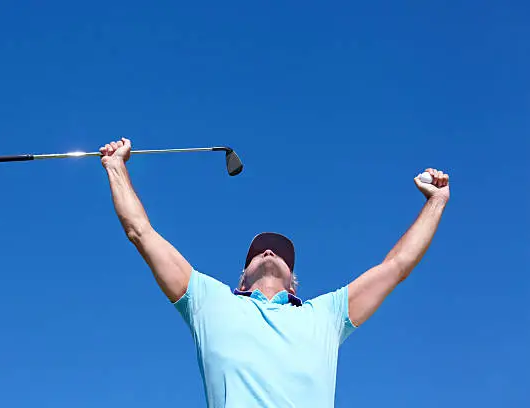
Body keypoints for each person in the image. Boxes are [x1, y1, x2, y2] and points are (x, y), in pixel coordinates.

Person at [100, 138, 450, 408]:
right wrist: (116, 166)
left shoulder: (326, 315)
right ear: (241, 279)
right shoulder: (208, 301)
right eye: (257, 253)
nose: (269, 252)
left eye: (280, 254)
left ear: (294, 282)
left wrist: (436, 202)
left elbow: (397, 266)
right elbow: (140, 232)